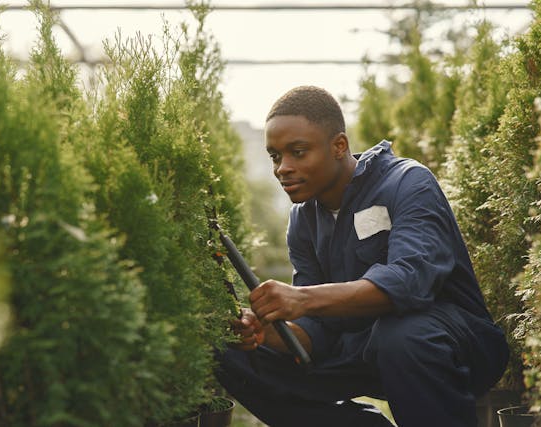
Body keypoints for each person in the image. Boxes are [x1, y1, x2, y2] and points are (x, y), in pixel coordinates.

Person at [215, 86, 509, 427]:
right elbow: (316, 331)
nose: (283, 168)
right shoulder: (303, 221)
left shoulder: (407, 182)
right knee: (232, 351)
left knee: (401, 334)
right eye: (276, 156)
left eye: (298, 152)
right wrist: (270, 334)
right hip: (361, 349)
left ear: (339, 146)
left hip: (452, 345)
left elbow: (409, 281)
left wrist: (303, 299)